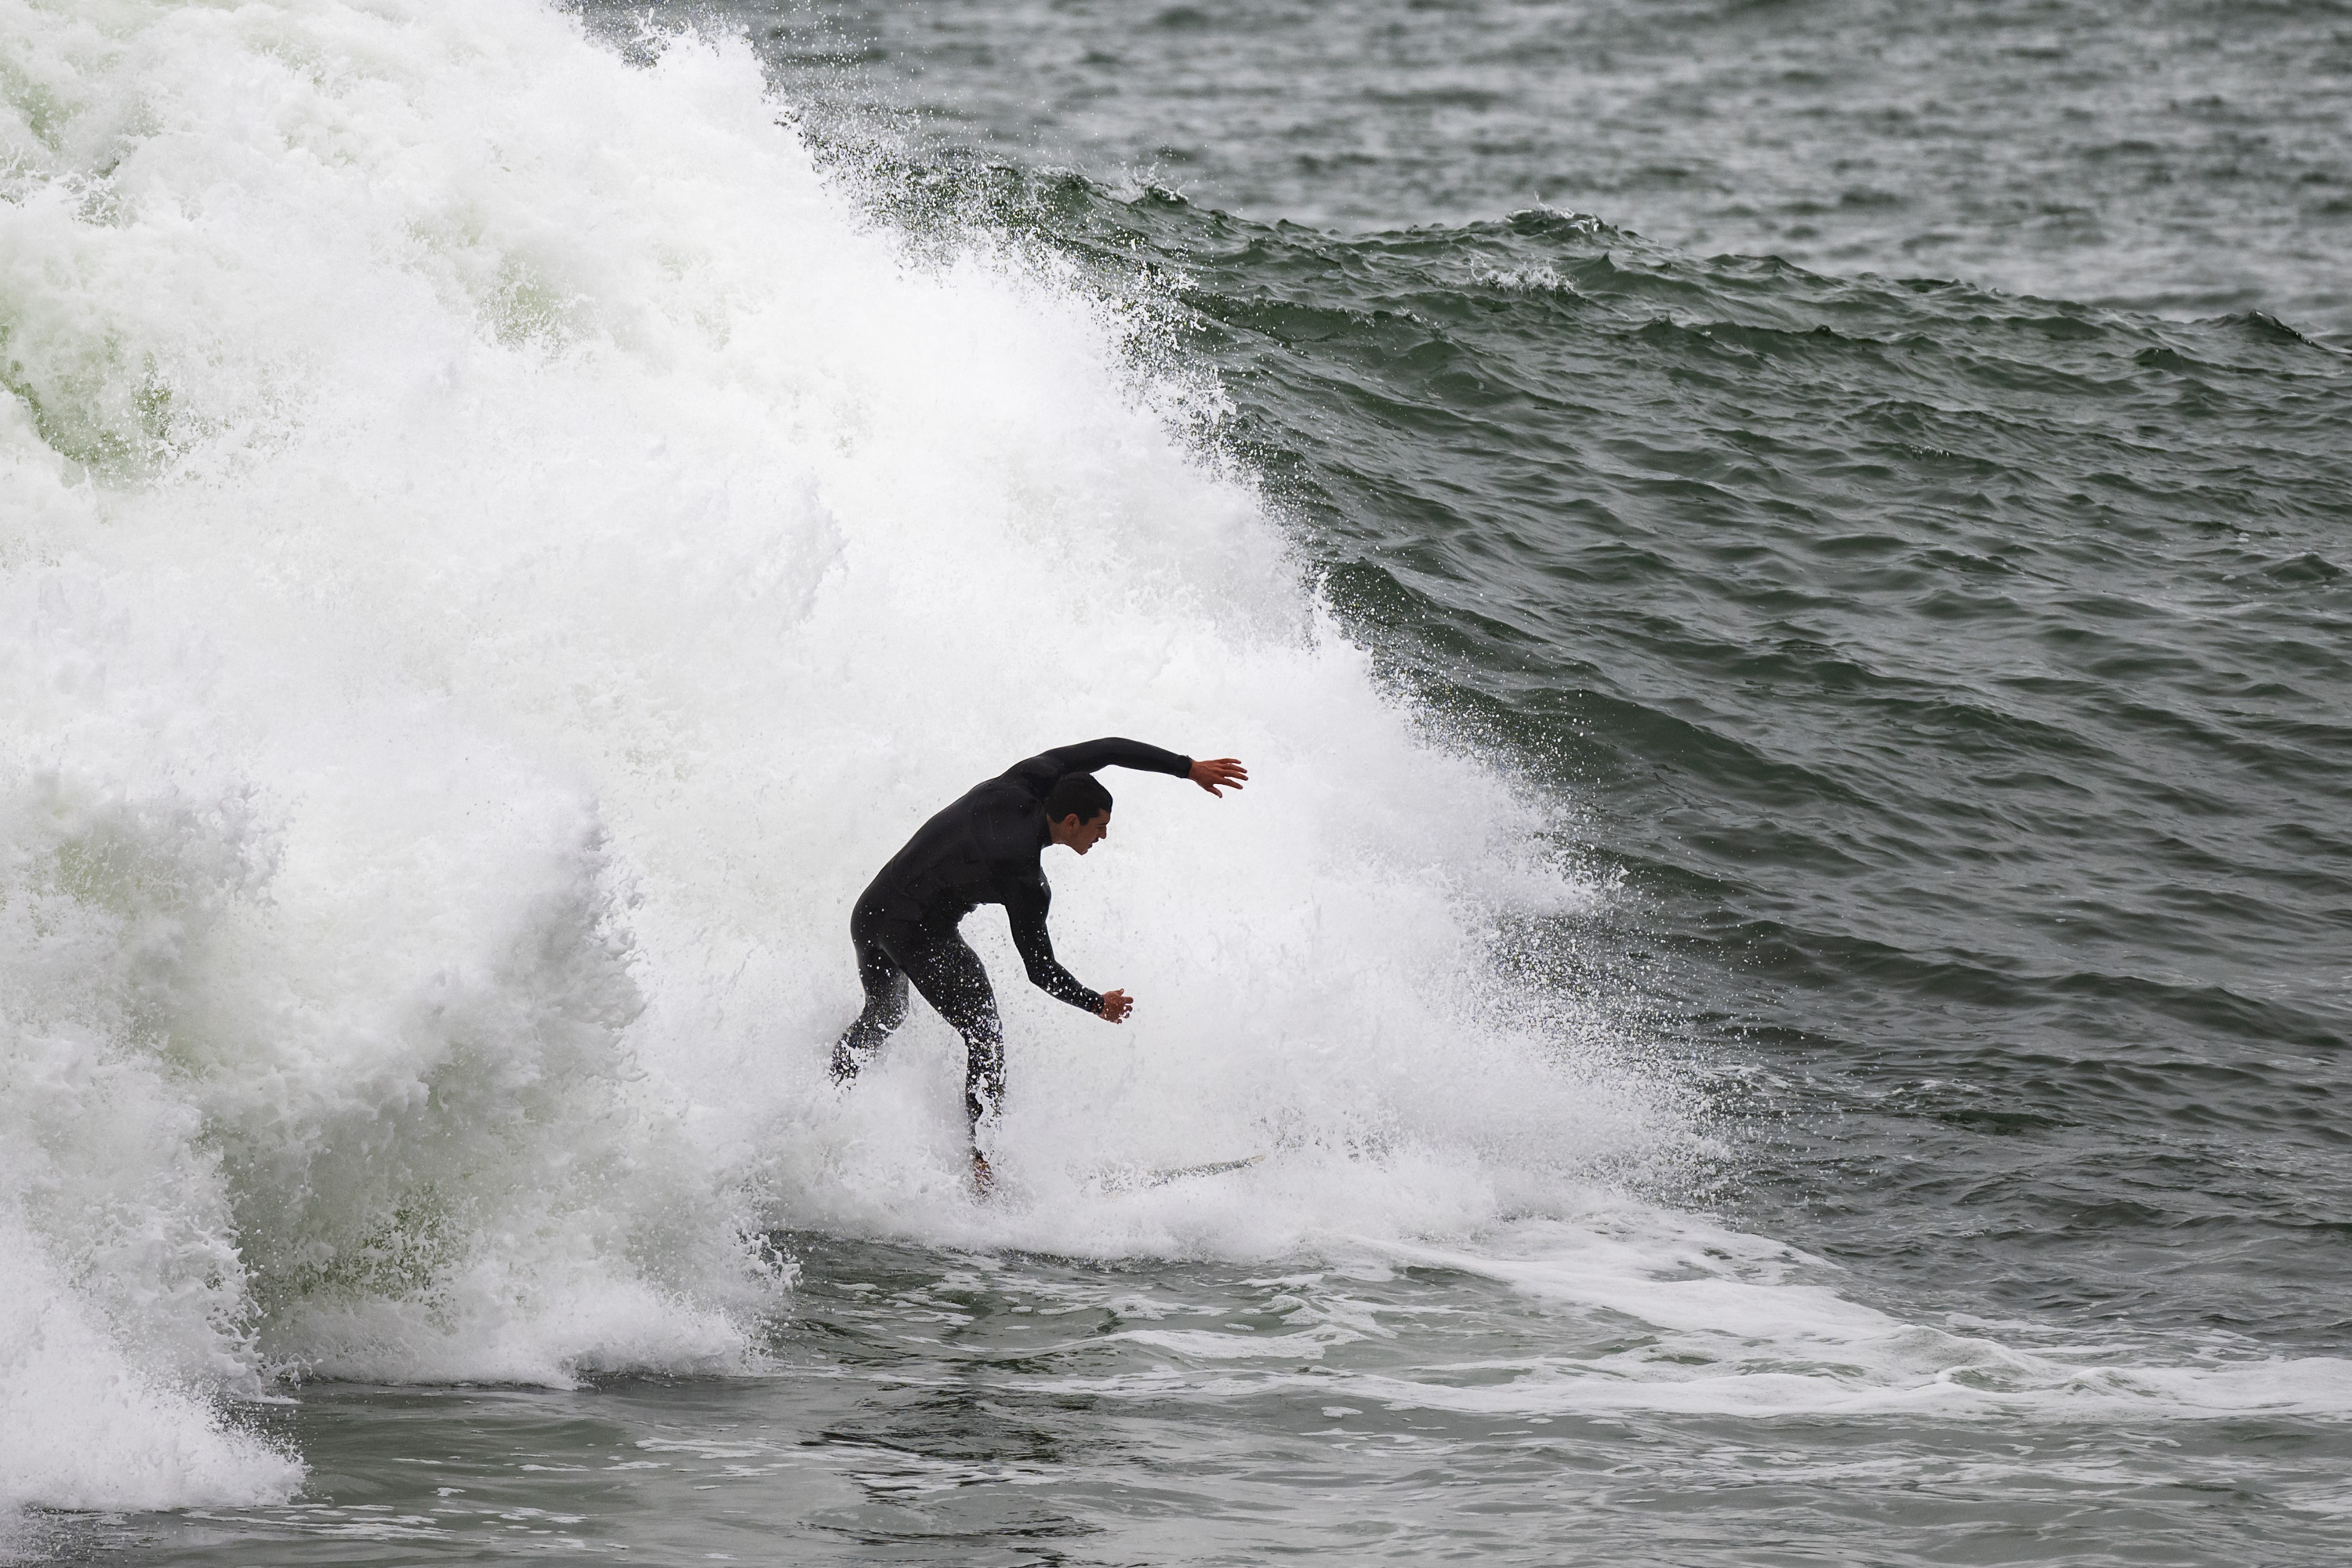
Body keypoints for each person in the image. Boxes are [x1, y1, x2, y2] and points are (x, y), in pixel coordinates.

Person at [830, 738, 1248, 1192]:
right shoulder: (1023, 875)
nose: (1104, 837)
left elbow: (1108, 748)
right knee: (985, 1035)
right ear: (1072, 822)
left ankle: (827, 1101)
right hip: (915, 930)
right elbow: (1039, 968)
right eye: (1100, 827)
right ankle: (983, 1170)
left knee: (886, 1013)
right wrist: (1096, 1003)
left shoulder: (1032, 777)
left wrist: (1187, 768)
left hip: (871, 912)